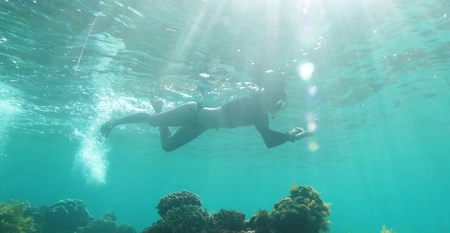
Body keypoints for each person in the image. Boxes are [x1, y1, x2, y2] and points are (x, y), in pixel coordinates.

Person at [99, 80, 312, 151]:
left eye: (280, 104)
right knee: (154, 123)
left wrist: (291, 136)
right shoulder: (253, 105)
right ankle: (114, 122)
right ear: (269, 96)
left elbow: (268, 141)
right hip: (195, 111)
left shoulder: (261, 115)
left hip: (201, 125)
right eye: (277, 102)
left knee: (167, 147)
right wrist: (290, 136)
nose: (277, 107)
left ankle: (158, 107)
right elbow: (269, 138)